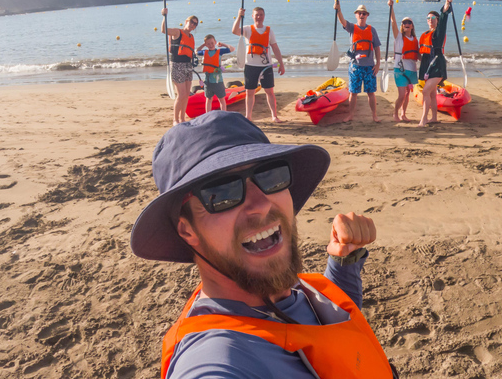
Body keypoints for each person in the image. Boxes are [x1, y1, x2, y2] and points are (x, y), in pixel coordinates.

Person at [130, 111, 396, 378]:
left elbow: (324, 325)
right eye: (222, 193)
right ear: (187, 230)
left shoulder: (283, 291)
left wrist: (343, 262)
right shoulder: (216, 359)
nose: (261, 204)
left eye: (270, 176)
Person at [231, 7, 286, 123]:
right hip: (250, 65)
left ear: (264, 16)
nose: (259, 17)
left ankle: (274, 116)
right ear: (252, 16)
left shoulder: (269, 31)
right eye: (256, 15)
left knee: (269, 91)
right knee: (249, 92)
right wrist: (239, 16)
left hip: (266, 65)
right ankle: (248, 116)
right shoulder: (247, 29)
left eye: (261, 15)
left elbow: (275, 48)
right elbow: (234, 31)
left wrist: (281, 64)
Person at [334, 2, 382, 123]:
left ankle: (374, 115)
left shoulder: (372, 30)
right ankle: (351, 115)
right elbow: (342, 21)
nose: (362, 15)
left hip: (369, 67)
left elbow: (377, 48)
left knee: (371, 93)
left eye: (364, 13)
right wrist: (339, 10)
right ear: (356, 15)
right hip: (355, 66)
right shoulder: (352, 28)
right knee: (353, 92)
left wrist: (378, 65)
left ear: (367, 16)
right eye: (360, 13)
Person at [417, 0, 453, 127]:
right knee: (431, 93)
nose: (430, 20)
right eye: (428, 18)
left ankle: (423, 119)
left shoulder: (438, 32)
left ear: (437, 20)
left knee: (425, 91)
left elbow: (444, 19)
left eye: (433, 18)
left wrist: (446, 5)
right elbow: (421, 53)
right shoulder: (425, 34)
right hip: (427, 66)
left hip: (437, 64)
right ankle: (434, 118)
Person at [162, 8, 199, 125]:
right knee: (181, 94)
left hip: (188, 65)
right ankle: (175, 119)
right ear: (186, 21)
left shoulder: (191, 37)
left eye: (195, 24)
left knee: (187, 94)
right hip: (177, 65)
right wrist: (164, 16)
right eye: (191, 22)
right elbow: (164, 30)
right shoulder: (177, 32)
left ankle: (182, 118)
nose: (193, 24)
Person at [388, 0, 419, 122]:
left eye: (409, 22)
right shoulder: (399, 37)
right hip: (400, 69)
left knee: (407, 94)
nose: (407, 24)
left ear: (412, 25)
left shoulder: (415, 39)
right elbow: (393, 22)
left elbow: (418, 54)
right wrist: (391, 7)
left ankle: (403, 114)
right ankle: (395, 113)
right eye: (404, 22)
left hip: (411, 69)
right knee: (401, 95)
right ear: (402, 25)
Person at [196, 35, 235, 113]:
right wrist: (203, 45)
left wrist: (223, 44)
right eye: (208, 44)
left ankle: (223, 115)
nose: (210, 45)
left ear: (215, 42)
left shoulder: (219, 51)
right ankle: (208, 115)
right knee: (209, 99)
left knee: (221, 99)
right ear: (206, 45)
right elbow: (196, 51)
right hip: (208, 81)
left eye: (212, 43)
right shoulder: (204, 52)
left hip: (218, 80)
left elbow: (232, 49)